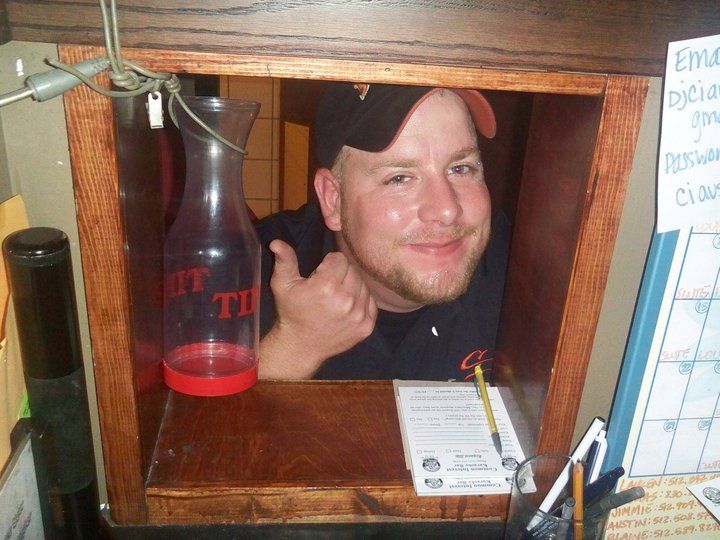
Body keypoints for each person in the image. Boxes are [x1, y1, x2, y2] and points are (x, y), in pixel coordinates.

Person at [256, 82, 509, 381]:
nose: (447, 210)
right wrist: (293, 348)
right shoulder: (248, 269)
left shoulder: (526, 270)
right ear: (333, 200)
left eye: (461, 168)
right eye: (400, 178)